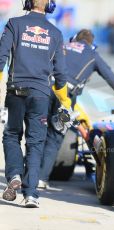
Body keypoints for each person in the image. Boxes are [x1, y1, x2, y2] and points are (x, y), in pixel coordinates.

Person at [38, 29, 114, 188]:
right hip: (66, 97)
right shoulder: (93, 55)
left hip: (42, 89)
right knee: (56, 137)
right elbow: (113, 80)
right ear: (92, 44)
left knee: (37, 130)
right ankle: (40, 178)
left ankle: (28, 174)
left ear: (74, 39)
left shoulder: (62, 46)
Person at [0, 0, 72, 208]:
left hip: (16, 90)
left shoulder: (14, 23)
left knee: (12, 134)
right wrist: (65, 101)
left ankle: (14, 173)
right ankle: (31, 194)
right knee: (35, 143)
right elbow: (60, 73)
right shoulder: (56, 33)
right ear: (49, 6)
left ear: (28, 3)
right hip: (41, 94)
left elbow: (1, 56)